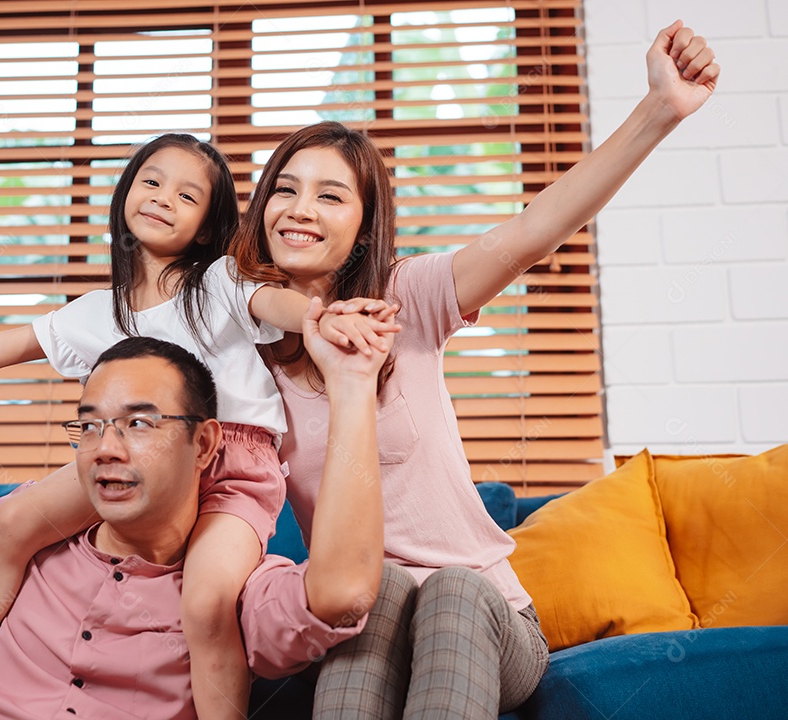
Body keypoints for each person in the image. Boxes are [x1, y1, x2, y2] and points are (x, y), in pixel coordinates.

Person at [0, 133, 397, 720]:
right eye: (151, 181)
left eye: (187, 195)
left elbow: (273, 304)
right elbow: (0, 345)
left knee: (207, 599)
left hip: (236, 466)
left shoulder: (218, 281)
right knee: (11, 524)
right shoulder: (96, 312)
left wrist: (322, 316)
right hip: (139, 455)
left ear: (207, 227)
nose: (163, 198)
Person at [228, 20, 719, 719]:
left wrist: (659, 109)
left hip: (488, 620)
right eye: (285, 189)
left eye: (330, 195)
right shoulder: (245, 357)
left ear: (364, 228)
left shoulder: (404, 297)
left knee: (453, 587)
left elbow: (532, 232)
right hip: (367, 610)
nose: (300, 209)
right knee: (378, 590)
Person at [0, 321, 392, 719]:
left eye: (139, 423)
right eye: (90, 426)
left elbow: (342, 593)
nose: (106, 449)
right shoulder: (13, 541)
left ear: (204, 444)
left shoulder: (229, 585)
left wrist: (351, 388)